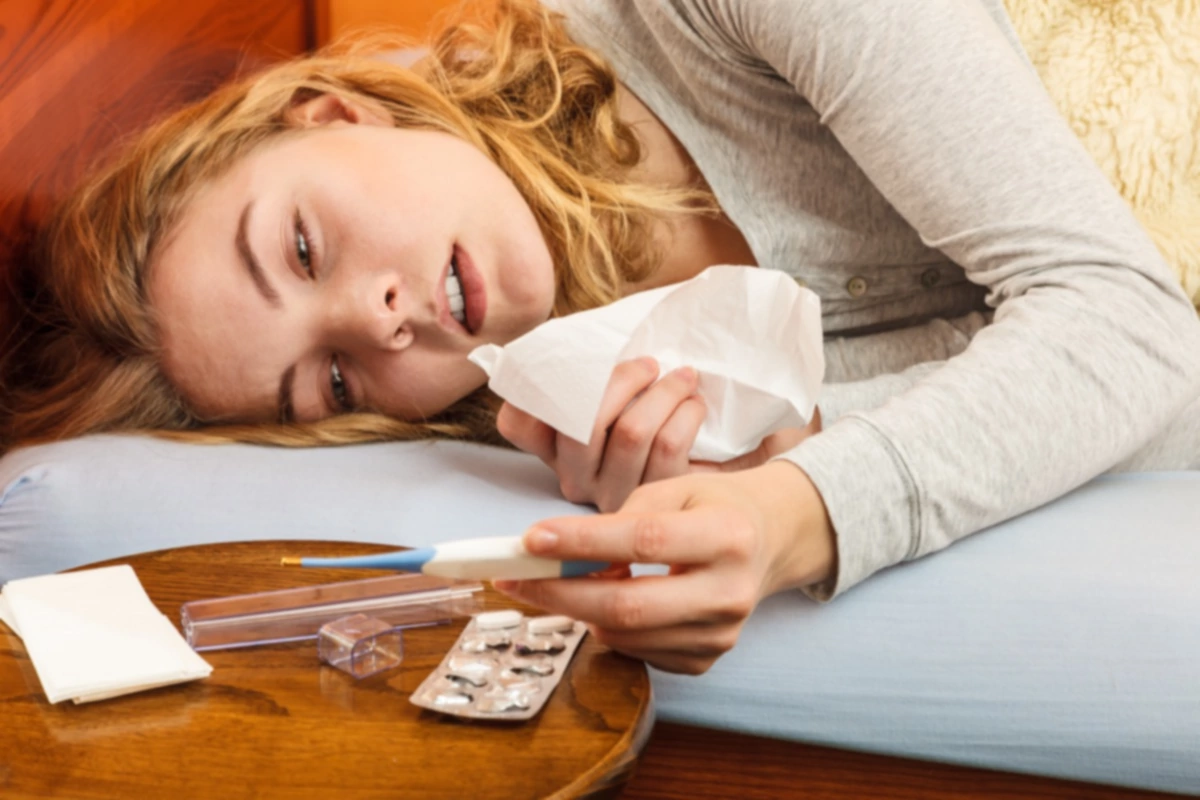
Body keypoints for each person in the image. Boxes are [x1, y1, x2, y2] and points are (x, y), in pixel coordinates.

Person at [3, 0, 1199, 674]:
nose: (378, 318)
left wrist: (797, 511)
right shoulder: (584, 405)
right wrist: (765, 444)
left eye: (305, 247)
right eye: (329, 377)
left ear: (332, 112)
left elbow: (1137, 326)